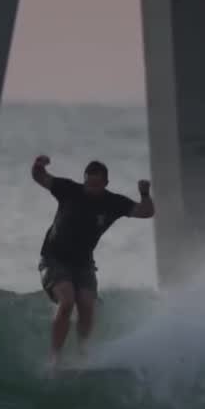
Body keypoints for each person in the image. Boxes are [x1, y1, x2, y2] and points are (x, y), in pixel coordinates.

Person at [31, 156, 154, 364]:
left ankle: (82, 352)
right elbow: (40, 177)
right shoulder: (68, 190)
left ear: (106, 183)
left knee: (87, 306)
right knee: (67, 301)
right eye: (88, 183)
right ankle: (55, 357)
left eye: (97, 185)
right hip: (54, 259)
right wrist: (39, 164)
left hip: (83, 264)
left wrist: (144, 193)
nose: (91, 189)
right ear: (84, 180)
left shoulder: (113, 202)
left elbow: (146, 212)